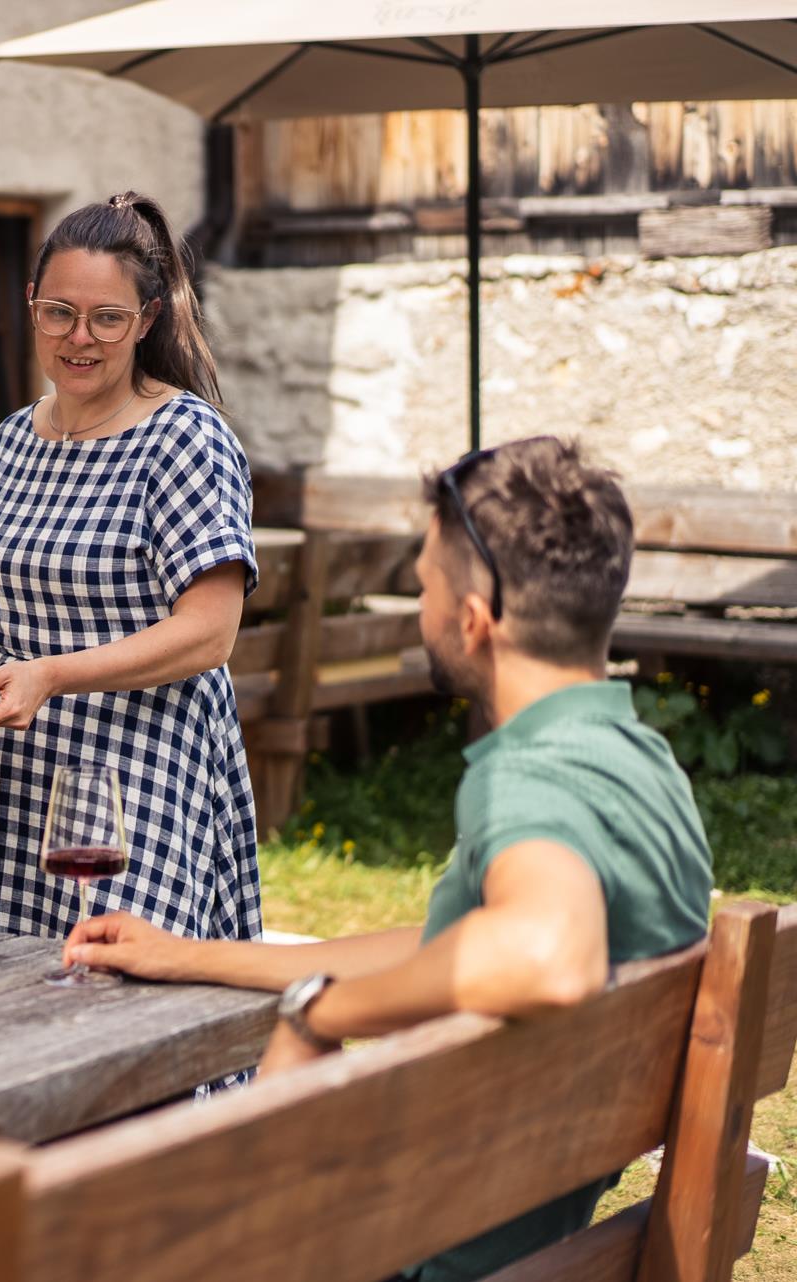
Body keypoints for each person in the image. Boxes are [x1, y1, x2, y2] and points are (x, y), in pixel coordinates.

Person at [64, 436, 713, 1280]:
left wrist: (321, 1017)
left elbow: (543, 954)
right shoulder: (637, 763)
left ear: (474, 624)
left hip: (407, 1254)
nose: (420, 607)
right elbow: (457, 945)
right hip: (534, 1241)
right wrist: (190, 956)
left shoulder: (528, 778)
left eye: (425, 589)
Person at [0, 191, 260, 950]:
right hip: (8, 772)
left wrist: (50, 675)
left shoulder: (185, 438)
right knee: (9, 1001)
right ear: (31, 306)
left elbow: (209, 635)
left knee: (116, 994)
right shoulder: (15, 437)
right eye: (59, 311)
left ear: (146, 320)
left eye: (107, 318)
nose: (78, 337)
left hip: (134, 777)